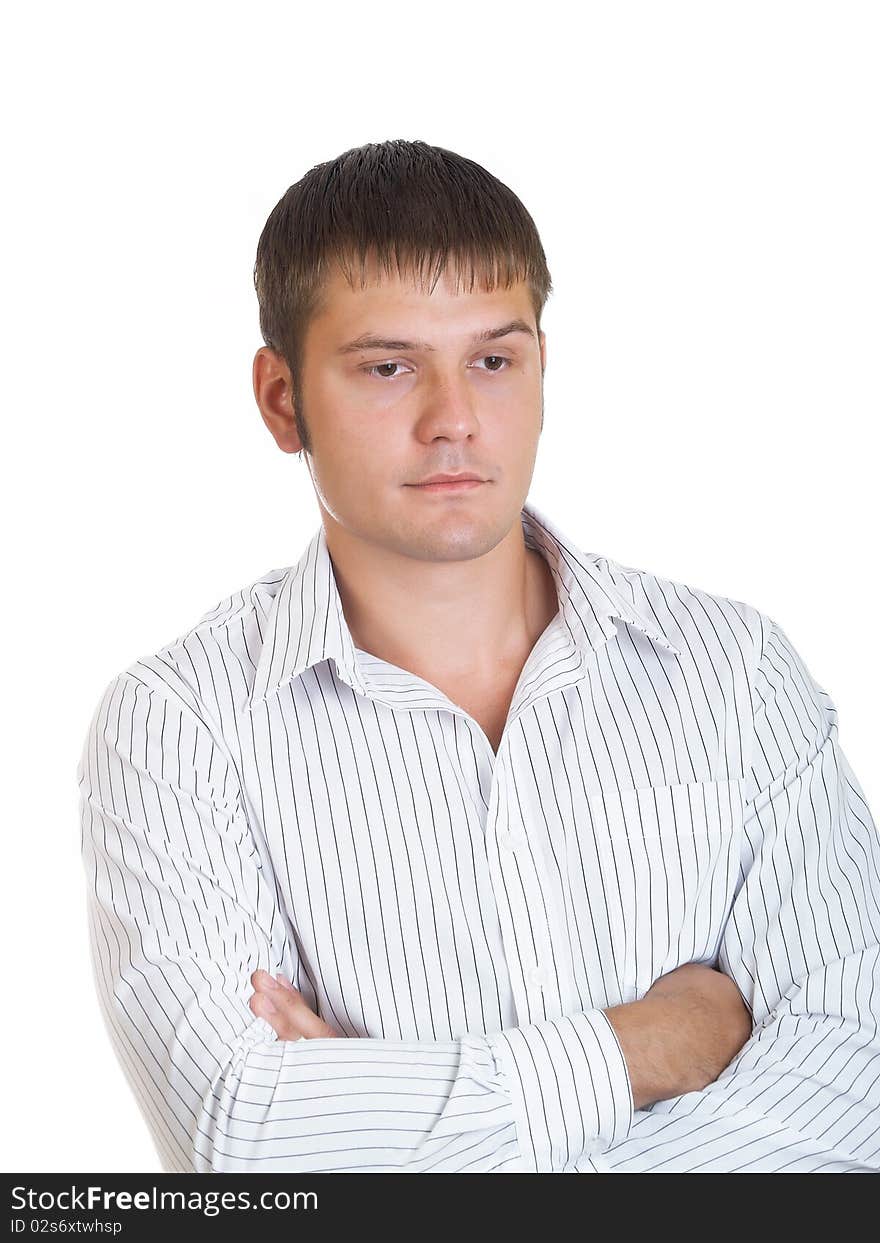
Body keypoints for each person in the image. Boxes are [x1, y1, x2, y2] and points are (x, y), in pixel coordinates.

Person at [76, 139, 880, 1174]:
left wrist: (389, 1128)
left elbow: (857, 1083)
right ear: (282, 400)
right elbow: (247, 1136)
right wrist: (644, 1044)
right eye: (388, 366)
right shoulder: (177, 726)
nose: (453, 420)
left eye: (493, 360)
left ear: (541, 367)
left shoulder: (734, 673)